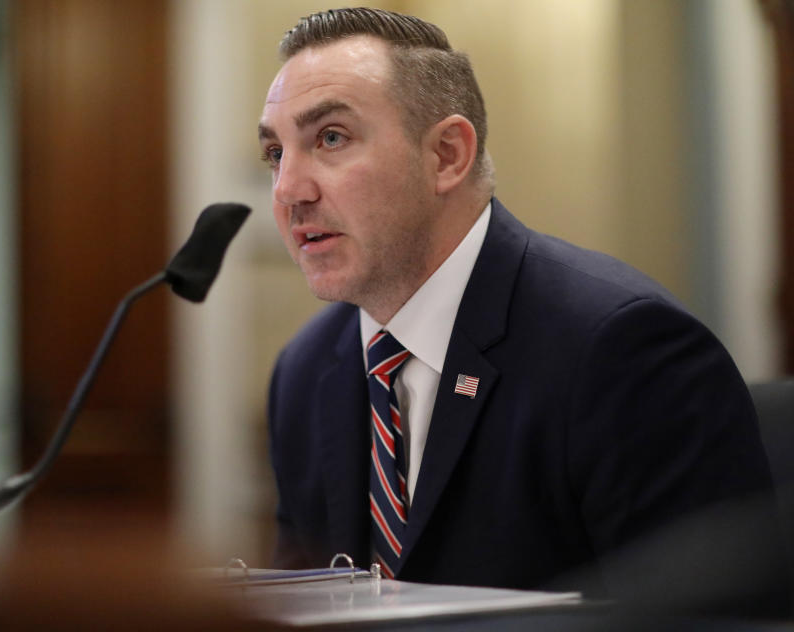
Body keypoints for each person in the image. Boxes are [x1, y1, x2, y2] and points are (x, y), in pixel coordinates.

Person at [260, 7, 776, 596]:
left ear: (447, 155)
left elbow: (711, 619)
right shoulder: (305, 371)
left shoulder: (623, 349)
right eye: (276, 153)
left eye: (331, 138)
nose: (288, 191)